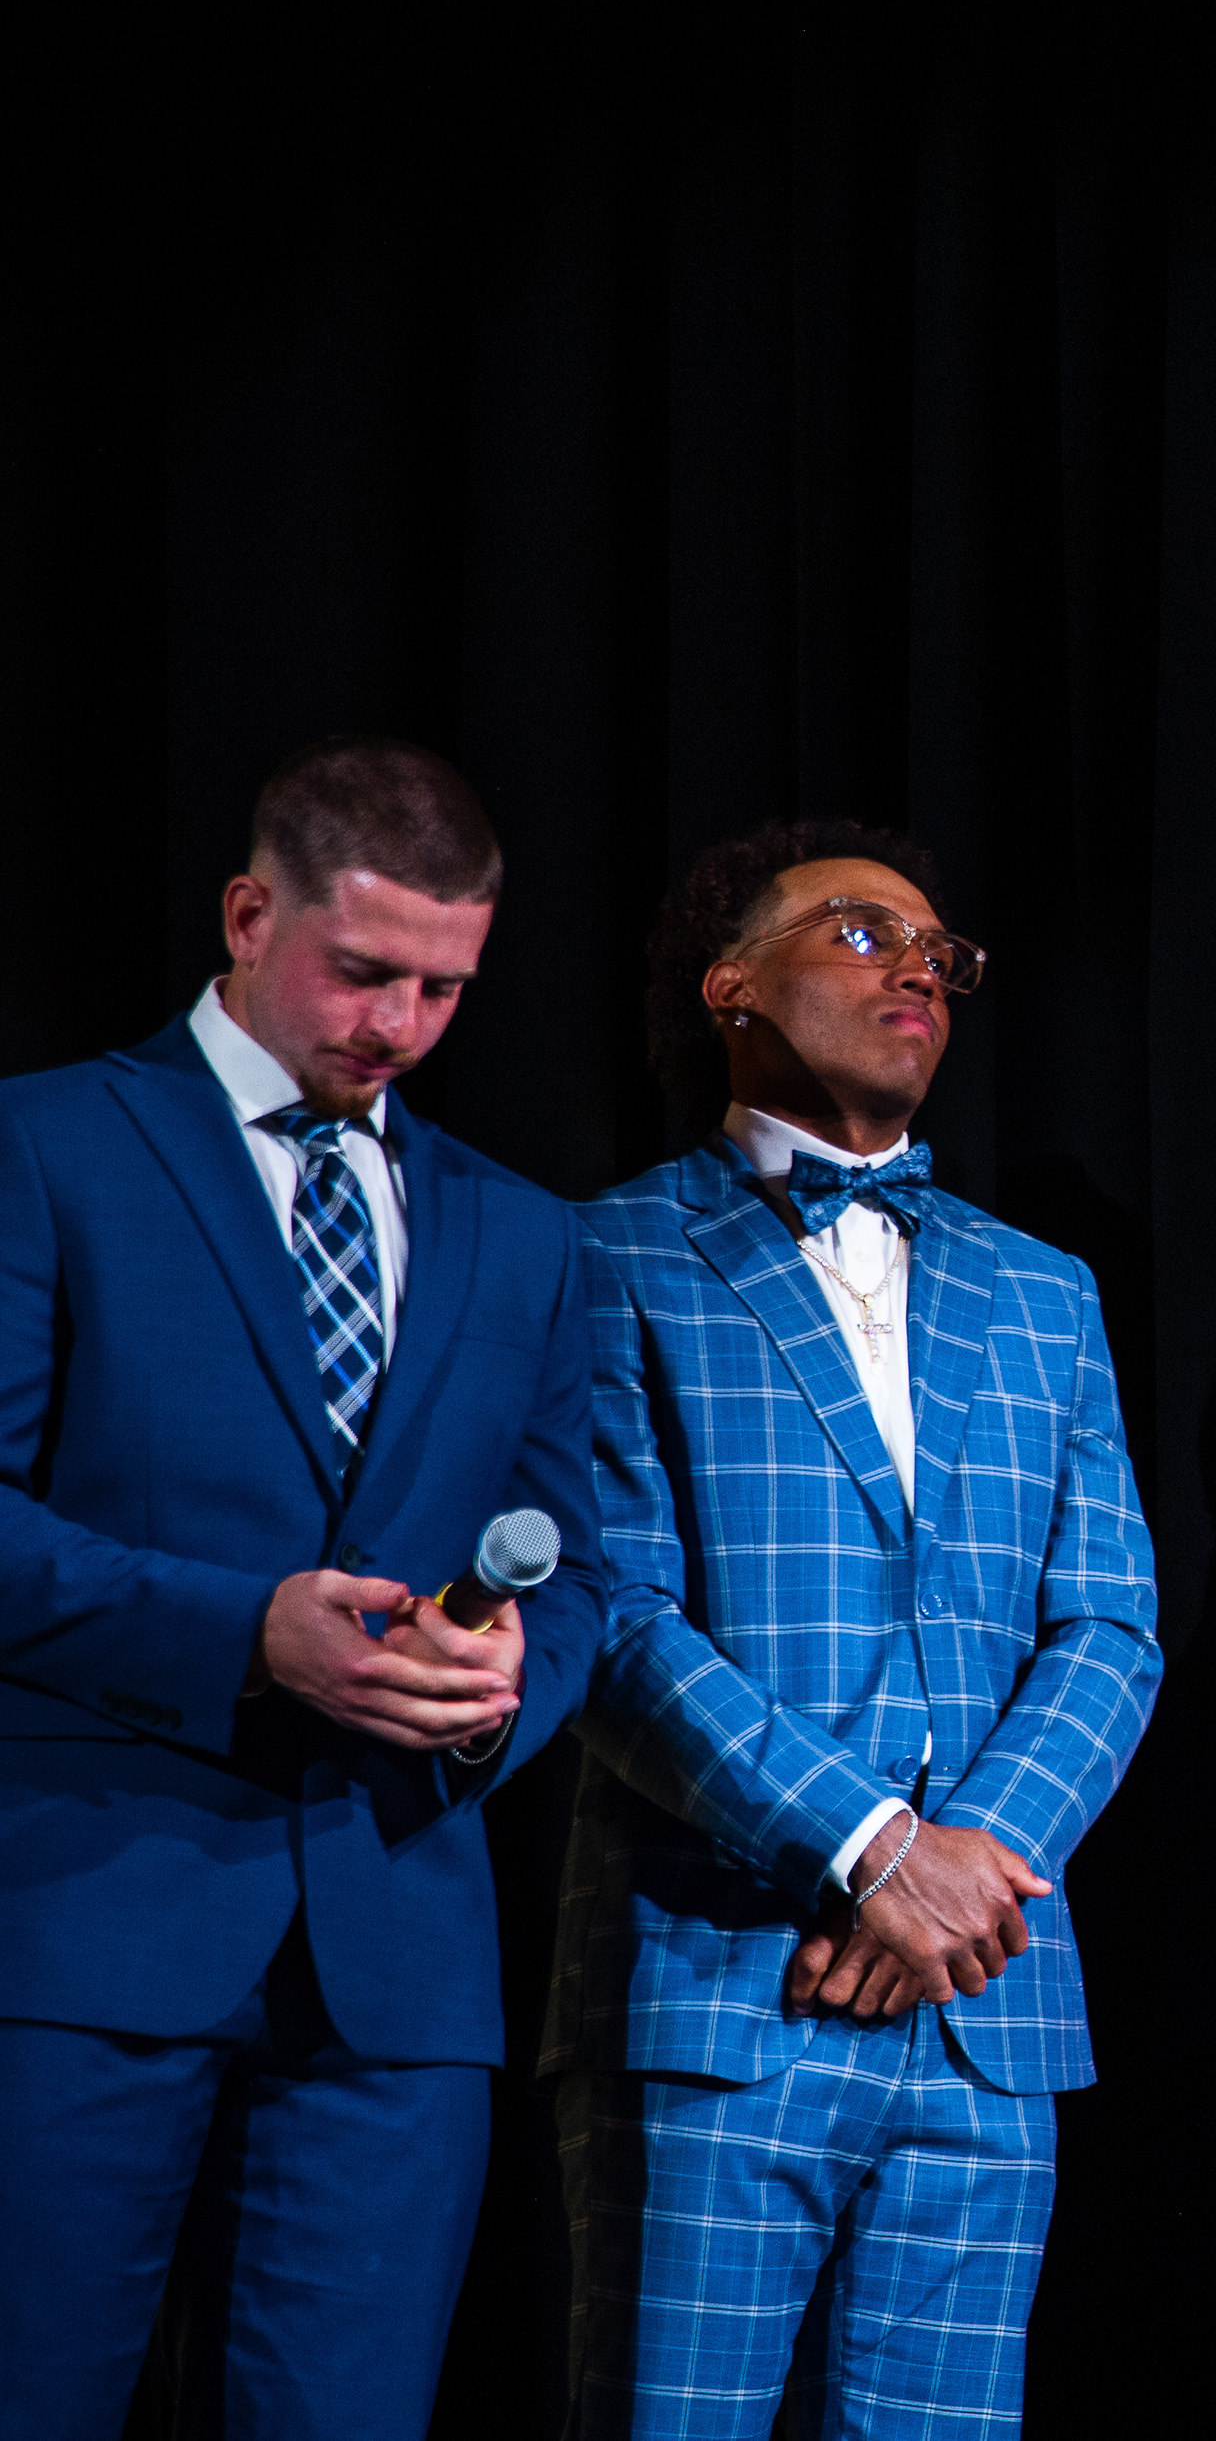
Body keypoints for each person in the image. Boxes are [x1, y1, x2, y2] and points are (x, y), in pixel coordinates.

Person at [0, 738, 600, 2439]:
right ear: (249, 916)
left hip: (399, 1970)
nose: (399, 1024)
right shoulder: (48, 1145)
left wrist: (499, 1692)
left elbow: (585, 1560)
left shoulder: (523, 1233)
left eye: (444, 988)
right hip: (82, 1932)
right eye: (363, 971)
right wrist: (244, 1632)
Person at [547, 822, 1160, 2435]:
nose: (920, 972)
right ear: (731, 985)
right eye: (862, 933)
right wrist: (876, 1855)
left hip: (983, 2016)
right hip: (718, 1998)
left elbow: (1110, 1626)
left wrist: (963, 1877)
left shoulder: (1045, 1291)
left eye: (942, 953)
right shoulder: (604, 1256)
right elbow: (613, 1617)